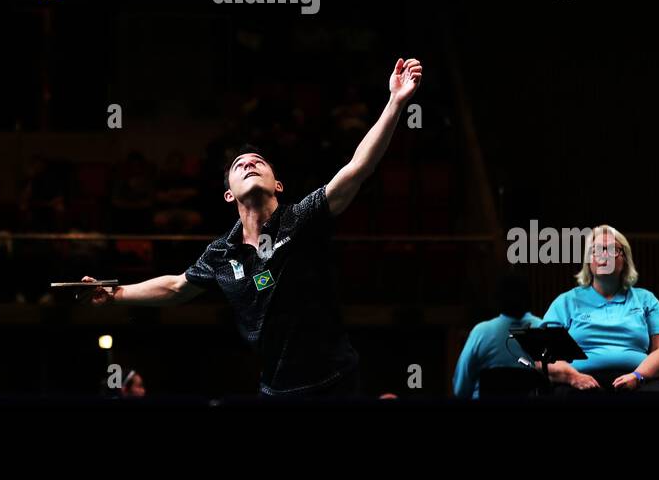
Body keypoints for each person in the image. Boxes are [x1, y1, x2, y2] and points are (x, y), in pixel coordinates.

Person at [81, 58, 424, 397]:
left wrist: (394, 103)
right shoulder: (221, 253)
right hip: (276, 391)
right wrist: (116, 293)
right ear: (229, 194)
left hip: (334, 383)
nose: (249, 162)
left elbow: (357, 167)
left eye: (259, 162)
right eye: (239, 164)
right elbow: (176, 287)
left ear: (278, 185)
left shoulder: (302, 219)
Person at [537, 225, 659, 392]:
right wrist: (573, 377)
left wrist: (638, 376)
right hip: (579, 382)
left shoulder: (646, 300)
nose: (604, 254)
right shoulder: (566, 301)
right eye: (596, 250)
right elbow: (542, 356)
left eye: (612, 249)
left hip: (636, 381)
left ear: (624, 259)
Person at [452, 271, 542, 397]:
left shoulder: (481, 331)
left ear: (497, 299)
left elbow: (460, 388)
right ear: (529, 297)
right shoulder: (544, 329)